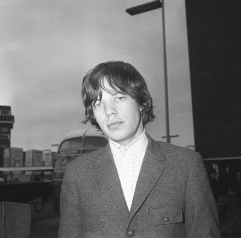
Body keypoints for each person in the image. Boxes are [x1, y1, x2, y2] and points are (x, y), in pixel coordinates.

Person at [58, 61, 221, 238]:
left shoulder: (186, 165)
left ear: (141, 103)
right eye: (98, 104)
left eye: (119, 98)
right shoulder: (77, 173)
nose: (109, 111)